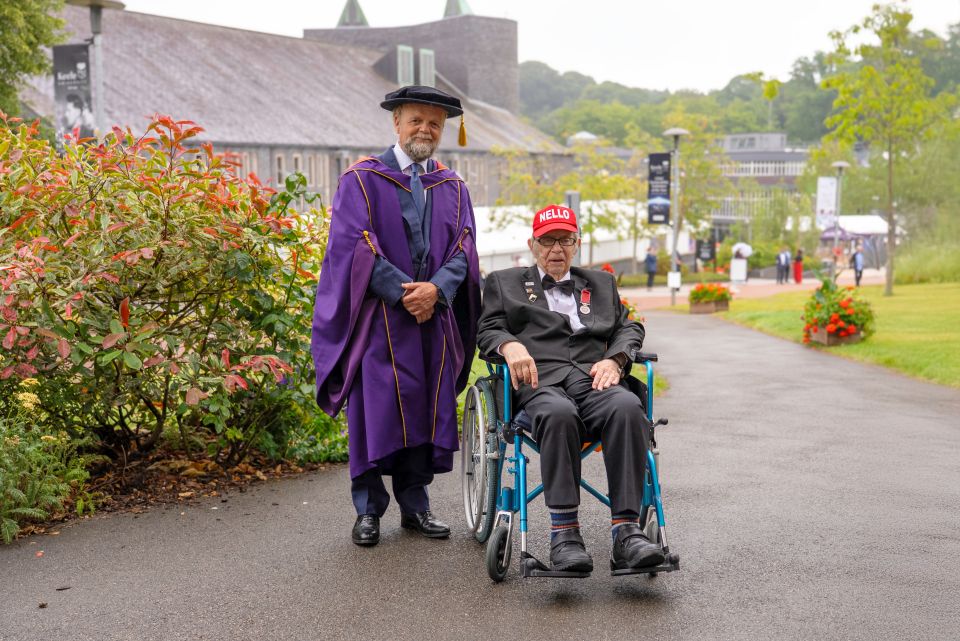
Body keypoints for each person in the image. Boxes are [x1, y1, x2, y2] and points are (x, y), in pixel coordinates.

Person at [311, 86, 481, 547]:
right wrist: (402, 292)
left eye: (435, 123)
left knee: (424, 410)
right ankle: (367, 511)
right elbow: (352, 243)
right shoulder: (362, 180)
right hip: (381, 321)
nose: (425, 130)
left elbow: (464, 247)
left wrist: (437, 290)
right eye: (416, 121)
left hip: (433, 320)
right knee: (373, 412)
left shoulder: (452, 186)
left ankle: (416, 505)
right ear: (396, 123)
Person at [477, 204, 663, 573]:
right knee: (558, 414)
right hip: (539, 381)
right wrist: (509, 345)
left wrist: (616, 359)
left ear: (577, 244)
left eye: (564, 240)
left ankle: (626, 533)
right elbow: (487, 330)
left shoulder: (601, 283)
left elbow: (630, 328)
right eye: (548, 241)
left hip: (595, 377)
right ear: (533, 244)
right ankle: (564, 535)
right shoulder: (504, 282)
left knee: (627, 407)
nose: (556, 249)